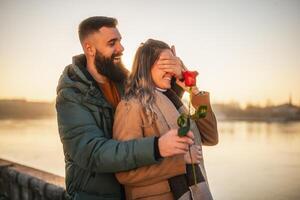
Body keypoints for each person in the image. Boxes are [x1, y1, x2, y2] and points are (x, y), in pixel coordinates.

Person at [56, 16, 195, 200]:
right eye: (112, 43)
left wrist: (177, 76)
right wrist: (157, 147)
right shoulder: (71, 95)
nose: (121, 48)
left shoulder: (127, 82)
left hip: (133, 192)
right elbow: (91, 153)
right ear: (89, 48)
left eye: (120, 41)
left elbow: (156, 106)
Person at [113, 39, 218, 200]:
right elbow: (125, 173)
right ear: (146, 65)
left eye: (173, 64)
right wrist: (180, 161)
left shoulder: (174, 102)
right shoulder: (131, 106)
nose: (171, 71)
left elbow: (211, 137)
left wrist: (193, 89)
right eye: (165, 64)